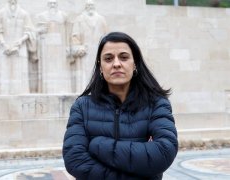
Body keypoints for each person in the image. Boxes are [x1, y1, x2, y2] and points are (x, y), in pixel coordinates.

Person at [63, 32, 178, 179]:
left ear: (135, 63)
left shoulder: (156, 103)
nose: (116, 64)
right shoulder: (82, 107)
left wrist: (98, 145)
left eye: (124, 57)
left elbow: (163, 152)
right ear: (100, 67)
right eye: (108, 58)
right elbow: (75, 161)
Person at [0, 0, 37, 94]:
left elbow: (30, 31)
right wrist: (4, 44)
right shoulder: (0, 13)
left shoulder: (24, 14)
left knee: (20, 75)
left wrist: (20, 41)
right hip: (3, 48)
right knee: (4, 75)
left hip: (20, 48)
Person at [71, 0, 108, 93]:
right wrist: (78, 47)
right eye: (88, 5)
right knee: (84, 73)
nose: (90, 7)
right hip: (85, 50)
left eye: (92, 5)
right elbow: (75, 35)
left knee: (99, 70)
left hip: (99, 49)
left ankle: (100, 90)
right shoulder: (79, 19)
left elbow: (106, 35)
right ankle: (85, 91)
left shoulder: (101, 19)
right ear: (85, 7)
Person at [35, 0, 71, 93]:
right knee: (47, 69)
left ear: (57, 5)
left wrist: (68, 46)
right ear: (48, 5)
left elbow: (68, 32)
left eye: (54, 3)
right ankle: (47, 90)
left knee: (61, 67)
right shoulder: (42, 16)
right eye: (50, 3)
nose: (52, 5)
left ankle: (62, 89)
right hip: (46, 47)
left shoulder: (63, 16)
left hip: (61, 47)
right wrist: (40, 30)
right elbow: (36, 31)